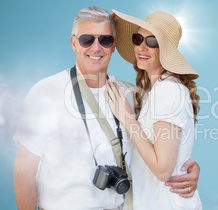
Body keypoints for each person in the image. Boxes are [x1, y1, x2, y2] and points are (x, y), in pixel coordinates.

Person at [13, 6, 200, 210]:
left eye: (105, 40)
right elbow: (24, 171)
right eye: (87, 39)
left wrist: (185, 166)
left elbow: (161, 147)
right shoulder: (45, 92)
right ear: (74, 43)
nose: (96, 47)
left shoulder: (132, 96)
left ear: (113, 46)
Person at [105, 10, 202, 210]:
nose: (142, 46)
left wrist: (126, 118)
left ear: (165, 50)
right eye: (138, 38)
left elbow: (163, 169)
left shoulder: (168, 90)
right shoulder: (153, 92)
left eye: (152, 41)